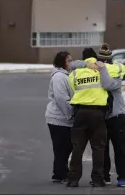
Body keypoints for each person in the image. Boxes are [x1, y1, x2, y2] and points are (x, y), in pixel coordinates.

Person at [67, 55, 122, 187]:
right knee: (98, 148)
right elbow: (122, 68)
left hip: (80, 112)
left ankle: (73, 179)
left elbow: (72, 88)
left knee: (77, 147)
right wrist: (102, 67)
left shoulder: (75, 73)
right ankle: (97, 179)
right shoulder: (103, 71)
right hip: (98, 113)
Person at [45, 51, 98, 183]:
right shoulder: (59, 77)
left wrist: (87, 64)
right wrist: (70, 114)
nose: (71, 63)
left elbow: (77, 64)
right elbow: (61, 98)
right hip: (58, 118)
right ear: (61, 62)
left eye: (71, 59)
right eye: (68, 60)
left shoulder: (66, 74)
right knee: (61, 147)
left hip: (64, 119)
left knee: (66, 147)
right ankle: (59, 174)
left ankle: (61, 172)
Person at [98, 44, 125, 187]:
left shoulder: (116, 72)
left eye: (105, 61)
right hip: (102, 117)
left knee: (120, 148)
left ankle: (122, 177)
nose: (104, 63)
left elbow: (108, 85)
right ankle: (105, 175)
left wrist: (102, 69)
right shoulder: (94, 72)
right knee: (103, 149)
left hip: (116, 116)